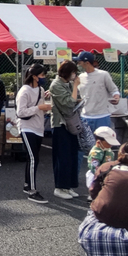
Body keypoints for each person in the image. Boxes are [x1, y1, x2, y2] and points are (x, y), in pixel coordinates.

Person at [17, 63, 52, 203]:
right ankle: (32, 190)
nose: (44, 77)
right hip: (26, 127)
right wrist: (38, 107)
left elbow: (41, 109)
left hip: (38, 128)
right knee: (33, 158)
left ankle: (27, 184)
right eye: (42, 75)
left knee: (32, 158)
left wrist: (45, 107)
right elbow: (20, 112)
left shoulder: (41, 89)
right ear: (34, 76)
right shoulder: (24, 91)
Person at [49, 60, 82, 200]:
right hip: (60, 125)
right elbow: (68, 104)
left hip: (70, 124)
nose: (76, 75)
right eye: (74, 72)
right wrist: (75, 86)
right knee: (62, 157)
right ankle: (60, 187)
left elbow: (74, 100)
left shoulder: (66, 83)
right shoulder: (56, 85)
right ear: (68, 72)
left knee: (72, 156)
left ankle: (68, 187)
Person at [74, 52, 120, 134]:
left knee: (103, 144)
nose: (78, 65)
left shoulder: (103, 75)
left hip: (102, 116)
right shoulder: (80, 77)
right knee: (87, 145)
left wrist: (116, 97)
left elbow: (114, 90)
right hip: (85, 116)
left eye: (79, 62)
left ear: (87, 63)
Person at [86, 127, 120, 199]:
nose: (111, 145)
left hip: (107, 173)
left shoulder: (108, 150)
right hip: (97, 175)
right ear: (99, 142)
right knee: (96, 186)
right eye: (108, 143)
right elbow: (94, 167)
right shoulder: (95, 152)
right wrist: (101, 174)